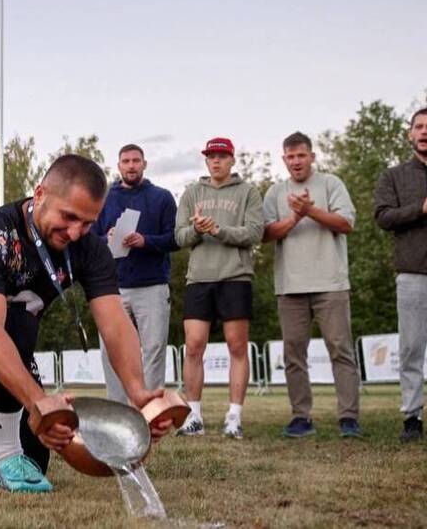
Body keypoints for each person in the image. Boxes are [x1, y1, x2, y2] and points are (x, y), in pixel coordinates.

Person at [0, 154, 173, 493]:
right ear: (39, 195)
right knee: (18, 323)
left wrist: (138, 391)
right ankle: (6, 454)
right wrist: (39, 401)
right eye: (68, 217)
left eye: (87, 222)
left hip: (9, 342)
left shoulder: (89, 248)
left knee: (36, 459)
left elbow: (115, 322)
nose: (74, 232)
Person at [263, 131, 362, 439]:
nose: (296, 161)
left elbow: (346, 224)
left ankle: (348, 417)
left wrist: (311, 211)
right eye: (290, 156)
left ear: (312, 156)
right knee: (294, 354)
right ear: (284, 160)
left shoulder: (331, 184)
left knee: (340, 350)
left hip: (331, 283)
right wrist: (295, 217)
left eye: (301, 155)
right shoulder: (275, 192)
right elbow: (266, 234)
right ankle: (301, 417)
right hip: (290, 286)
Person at [174, 137, 263, 439]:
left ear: (232, 159)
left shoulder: (248, 192)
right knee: (194, 346)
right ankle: (194, 416)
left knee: (237, 347)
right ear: (206, 160)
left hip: (235, 277)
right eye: (211, 156)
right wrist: (198, 230)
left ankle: (234, 417)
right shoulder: (192, 192)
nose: (216, 161)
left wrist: (218, 230)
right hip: (199, 278)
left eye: (222, 156)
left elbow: (254, 232)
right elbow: (180, 237)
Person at [92, 143, 178, 402]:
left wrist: (146, 241)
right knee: (112, 351)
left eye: (136, 161)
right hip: (112, 288)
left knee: (153, 348)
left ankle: (151, 410)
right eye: (126, 161)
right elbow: (86, 238)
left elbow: (176, 238)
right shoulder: (104, 199)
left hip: (152, 285)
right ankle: (118, 412)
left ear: (144, 164)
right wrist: (103, 238)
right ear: (118, 166)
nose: (131, 165)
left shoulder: (162, 197)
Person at [373, 107, 427, 442]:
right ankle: (412, 417)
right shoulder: (393, 176)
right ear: (410, 134)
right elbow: (382, 216)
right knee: (410, 349)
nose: (424, 132)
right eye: (419, 126)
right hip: (413, 273)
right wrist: (419, 209)